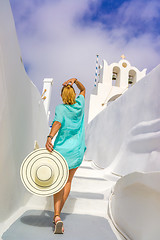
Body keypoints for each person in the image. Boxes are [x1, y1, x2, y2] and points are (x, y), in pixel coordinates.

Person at [45, 77, 86, 234]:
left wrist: (50, 137)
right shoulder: (80, 105)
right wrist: (75, 80)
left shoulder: (61, 108)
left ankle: (56, 216)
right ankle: (57, 216)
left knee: (59, 182)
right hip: (76, 150)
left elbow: (57, 123)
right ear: (74, 95)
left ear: (62, 96)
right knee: (68, 181)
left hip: (62, 151)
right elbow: (83, 89)